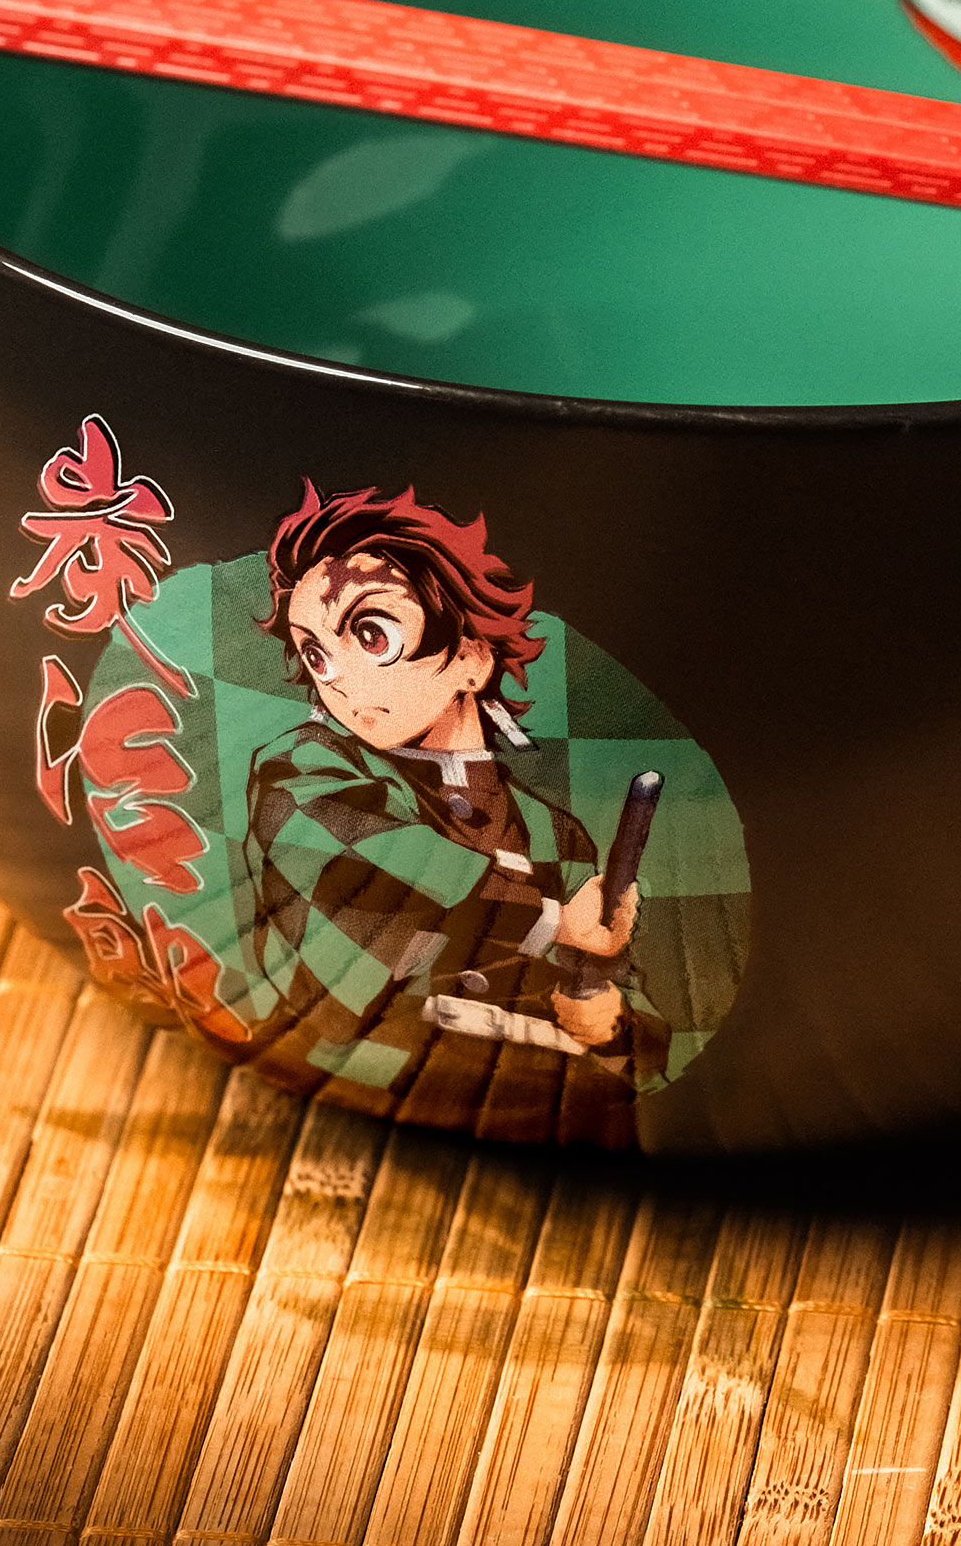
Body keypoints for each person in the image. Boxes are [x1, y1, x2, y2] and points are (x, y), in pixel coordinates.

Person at [233, 481, 667, 1125]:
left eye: (371, 635)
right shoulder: (303, 771)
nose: (338, 680)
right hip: (349, 1094)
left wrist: (610, 1018)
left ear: (471, 657)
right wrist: (554, 924)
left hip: (532, 1113)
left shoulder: (555, 834)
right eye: (317, 654)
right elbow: (385, 872)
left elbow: (630, 1009)